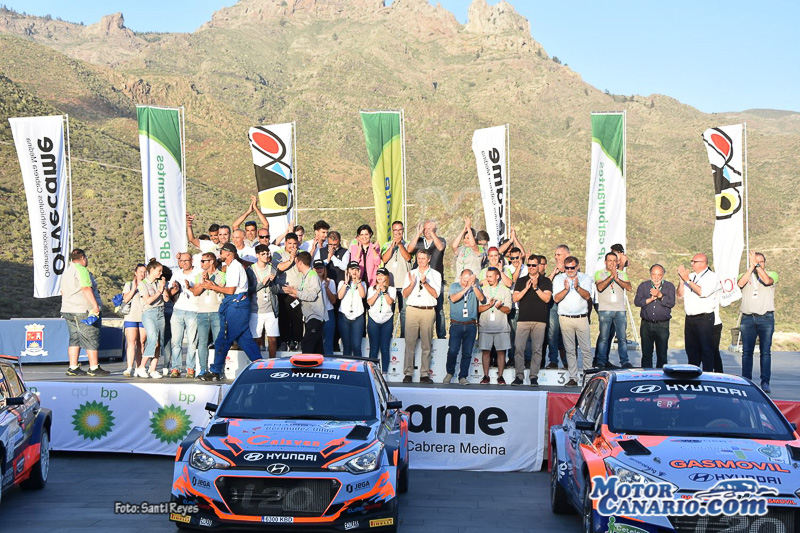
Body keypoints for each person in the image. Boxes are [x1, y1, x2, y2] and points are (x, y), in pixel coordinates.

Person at [201, 243, 262, 381]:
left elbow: (230, 290)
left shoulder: (234, 267)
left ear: (228, 253)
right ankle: (261, 366)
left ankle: (216, 371)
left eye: (221, 252)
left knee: (223, 338)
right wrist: (211, 284)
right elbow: (229, 289)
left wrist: (212, 287)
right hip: (237, 304)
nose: (220, 254)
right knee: (244, 339)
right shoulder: (232, 266)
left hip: (236, 305)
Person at [61, 249, 110, 376]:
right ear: (83, 258)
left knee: (74, 338)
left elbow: (62, 291)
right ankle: (94, 367)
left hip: (67, 309)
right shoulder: (81, 270)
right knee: (91, 337)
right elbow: (86, 288)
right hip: (83, 310)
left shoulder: (67, 271)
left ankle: (73, 367)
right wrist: (95, 306)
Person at [738, 251, 777, 392]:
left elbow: (767, 281)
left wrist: (757, 266)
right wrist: (751, 267)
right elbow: (740, 283)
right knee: (747, 352)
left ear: (764, 263)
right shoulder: (745, 274)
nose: (757, 263)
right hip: (748, 318)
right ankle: (746, 381)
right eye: (755, 261)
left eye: (761, 261)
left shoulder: (772, 274)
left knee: (765, 352)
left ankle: (765, 382)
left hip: (765, 318)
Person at [511, 255, 552, 385]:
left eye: (534, 265)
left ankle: (533, 376)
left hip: (539, 320)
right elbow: (515, 298)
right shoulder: (521, 280)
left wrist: (535, 288)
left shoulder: (546, 281)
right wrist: (526, 288)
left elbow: (547, 298)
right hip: (523, 319)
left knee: (537, 349)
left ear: (539, 266)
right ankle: (519, 376)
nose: (531, 267)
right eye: (529, 265)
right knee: (519, 348)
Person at [553, 256, 593, 387]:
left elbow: (587, 296)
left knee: (586, 349)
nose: (569, 270)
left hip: (581, 317)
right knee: (570, 350)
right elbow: (556, 299)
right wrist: (566, 289)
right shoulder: (559, 279)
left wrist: (577, 287)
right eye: (567, 268)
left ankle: (588, 378)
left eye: (572, 268)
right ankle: (573, 377)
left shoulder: (585, 278)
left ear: (577, 267)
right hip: (565, 318)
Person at [402, 249, 442, 383]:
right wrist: (412, 284)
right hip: (412, 309)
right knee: (410, 343)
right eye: (419, 258)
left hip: (427, 310)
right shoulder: (411, 273)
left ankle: (424, 373)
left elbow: (436, 294)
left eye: (423, 258)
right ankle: (408, 372)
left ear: (429, 259)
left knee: (426, 344)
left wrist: (425, 283)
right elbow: (405, 294)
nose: (420, 261)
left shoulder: (435, 274)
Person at [676, 253, 718, 371]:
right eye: (692, 261)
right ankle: (693, 374)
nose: (692, 264)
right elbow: (679, 295)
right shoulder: (691, 276)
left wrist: (687, 280)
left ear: (703, 263)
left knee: (706, 349)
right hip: (690, 318)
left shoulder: (712, 276)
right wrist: (681, 281)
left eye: (694, 261)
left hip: (704, 318)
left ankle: (707, 375)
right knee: (691, 350)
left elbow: (702, 292)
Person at [444, 269, 484, 385]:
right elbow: (453, 298)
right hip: (456, 324)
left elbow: (481, 299)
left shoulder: (475, 287)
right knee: (453, 350)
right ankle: (450, 372)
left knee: (467, 353)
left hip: (471, 324)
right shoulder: (454, 286)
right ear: (460, 278)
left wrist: (474, 286)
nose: (465, 282)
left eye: (468, 280)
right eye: (464, 280)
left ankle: (463, 376)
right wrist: (466, 288)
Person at [408, 220, 447, 339]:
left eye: (429, 228)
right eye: (425, 229)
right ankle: (418, 335)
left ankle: (441, 336)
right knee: (419, 306)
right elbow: (409, 249)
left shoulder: (440, 240)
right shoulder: (419, 240)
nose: (427, 231)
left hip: (435, 279)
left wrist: (432, 233)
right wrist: (418, 233)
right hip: (419, 278)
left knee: (439, 309)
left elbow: (440, 247)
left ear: (435, 229)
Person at [594, 252, 633, 369]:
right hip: (605, 310)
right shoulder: (599, 273)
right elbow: (600, 287)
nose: (612, 263)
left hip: (620, 310)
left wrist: (617, 278)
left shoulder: (622, 274)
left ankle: (624, 362)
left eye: (614, 261)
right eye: (609, 260)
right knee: (604, 338)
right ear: (605, 262)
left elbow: (629, 287)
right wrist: (611, 276)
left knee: (622, 338)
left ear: (617, 262)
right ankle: (601, 361)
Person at [634, 264, 675, 369]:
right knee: (646, 354)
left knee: (662, 355)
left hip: (662, 325)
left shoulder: (669, 286)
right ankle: (646, 375)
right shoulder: (644, 286)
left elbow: (671, 303)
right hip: (646, 324)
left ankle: (661, 375)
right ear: (650, 274)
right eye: (654, 275)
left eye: (659, 275)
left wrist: (660, 295)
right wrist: (650, 299)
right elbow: (637, 302)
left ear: (663, 275)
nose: (656, 278)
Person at [190, 252, 224, 377]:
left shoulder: (222, 275)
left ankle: (217, 370)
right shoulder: (199, 275)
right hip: (202, 312)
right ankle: (203, 369)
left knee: (218, 342)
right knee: (202, 342)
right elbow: (195, 292)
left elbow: (221, 289)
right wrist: (203, 282)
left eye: (203, 261)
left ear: (211, 261)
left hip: (216, 311)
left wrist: (210, 282)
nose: (201, 263)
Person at [283, 251, 325, 353]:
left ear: (300, 262)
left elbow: (312, 296)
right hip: (309, 316)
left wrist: (295, 292)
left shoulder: (312, 275)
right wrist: (293, 292)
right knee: (317, 349)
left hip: (315, 316)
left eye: (296, 263)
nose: (295, 265)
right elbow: (304, 294)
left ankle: (307, 364)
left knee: (307, 345)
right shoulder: (305, 276)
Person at [478, 267, 513, 384]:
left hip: (501, 327)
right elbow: (477, 309)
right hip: (485, 326)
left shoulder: (505, 291)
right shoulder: (482, 290)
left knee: (501, 352)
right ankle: (485, 376)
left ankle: (500, 376)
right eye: (487, 276)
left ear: (497, 277)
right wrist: (489, 305)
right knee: (486, 351)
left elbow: (508, 309)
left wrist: (499, 307)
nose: (488, 279)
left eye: (490, 276)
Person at [168, 253, 199, 378]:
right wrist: (175, 289)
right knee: (176, 342)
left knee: (192, 342)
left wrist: (190, 287)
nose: (184, 263)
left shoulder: (198, 273)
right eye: (182, 261)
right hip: (178, 310)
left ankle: (191, 368)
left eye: (187, 260)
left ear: (192, 260)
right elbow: (170, 292)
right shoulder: (176, 274)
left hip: (193, 310)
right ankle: (175, 368)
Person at [139, 260, 170, 379]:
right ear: (151, 270)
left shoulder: (159, 283)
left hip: (160, 312)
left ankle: (153, 369)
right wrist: (159, 291)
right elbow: (148, 300)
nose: (161, 273)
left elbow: (166, 299)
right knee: (152, 339)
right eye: (159, 271)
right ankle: (141, 366)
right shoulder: (143, 284)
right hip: (149, 313)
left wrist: (163, 287)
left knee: (158, 343)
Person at [273, 232, 303, 351]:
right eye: (290, 243)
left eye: (294, 244)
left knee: (297, 319)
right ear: (285, 243)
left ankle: (297, 341)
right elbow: (278, 268)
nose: (292, 246)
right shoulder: (278, 254)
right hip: (283, 292)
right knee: (284, 318)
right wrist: (291, 259)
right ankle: (284, 342)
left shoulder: (301, 254)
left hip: (296, 293)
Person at [248, 244, 279, 358]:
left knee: (273, 339)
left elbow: (277, 290)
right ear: (257, 255)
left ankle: (272, 363)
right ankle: (257, 363)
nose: (266, 256)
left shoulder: (273, 269)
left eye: (267, 254)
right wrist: (262, 283)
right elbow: (249, 290)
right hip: (256, 310)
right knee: (256, 339)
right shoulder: (250, 270)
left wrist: (272, 283)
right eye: (263, 254)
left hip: (271, 309)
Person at [381, 220, 412, 338]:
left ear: (403, 231)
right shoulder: (386, 245)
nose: (398, 232)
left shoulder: (408, 244)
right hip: (390, 285)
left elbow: (408, 257)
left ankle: (403, 337)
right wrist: (392, 246)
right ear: (392, 231)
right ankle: (387, 336)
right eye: (395, 230)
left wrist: (400, 245)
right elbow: (384, 259)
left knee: (404, 312)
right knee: (389, 311)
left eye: (400, 230)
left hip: (404, 285)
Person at [545, 245, 570, 369]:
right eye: (555, 254)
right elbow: (545, 284)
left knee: (566, 335)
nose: (556, 257)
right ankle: (553, 361)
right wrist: (554, 273)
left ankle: (567, 362)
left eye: (558, 254)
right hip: (553, 305)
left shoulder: (572, 269)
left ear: (567, 255)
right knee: (552, 334)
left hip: (567, 305)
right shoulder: (554, 270)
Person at [367, 267, 396, 371]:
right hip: (373, 319)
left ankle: (384, 373)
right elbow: (370, 302)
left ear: (387, 277)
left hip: (386, 320)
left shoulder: (392, 289)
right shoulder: (371, 289)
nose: (379, 277)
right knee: (373, 348)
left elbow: (390, 302)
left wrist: (384, 291)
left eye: (382, 275)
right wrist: (377, 292)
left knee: (384, 348)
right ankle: (372, 372)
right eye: (378, 275)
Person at [121, 263, 147, 377]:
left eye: (145, 272)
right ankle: (129, 367)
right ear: (135, 273)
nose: (143, 274)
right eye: (140, 271)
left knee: (142, 342)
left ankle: (139, 367)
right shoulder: (129, 284)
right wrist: (134, 288)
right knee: (131, 342)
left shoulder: (148, 285)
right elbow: (126, 299)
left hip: (144, 316)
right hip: (131, 316)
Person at [337, 261, 368, 357]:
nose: (354, 272)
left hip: (358, 316)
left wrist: (358, 281)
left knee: (356, 346)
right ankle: (347, 366)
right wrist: (346, 283)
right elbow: (339, 296)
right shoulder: (342, 283)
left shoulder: (363, 283)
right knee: (347, 346)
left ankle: (358, 366)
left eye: (356, 269)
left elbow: (363, 295)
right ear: (348, 271)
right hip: (344, 316)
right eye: (352, 269)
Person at [314, 259, 338, 355]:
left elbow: (333, 301)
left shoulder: (330, 282)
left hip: (328, 312)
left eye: (321, 268)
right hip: (315, 313)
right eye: (317, 268)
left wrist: (326, 287)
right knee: (316, 342)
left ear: (324, 269)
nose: (319, 270)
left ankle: (328, 362)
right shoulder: (310, 282)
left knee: (328, 342)